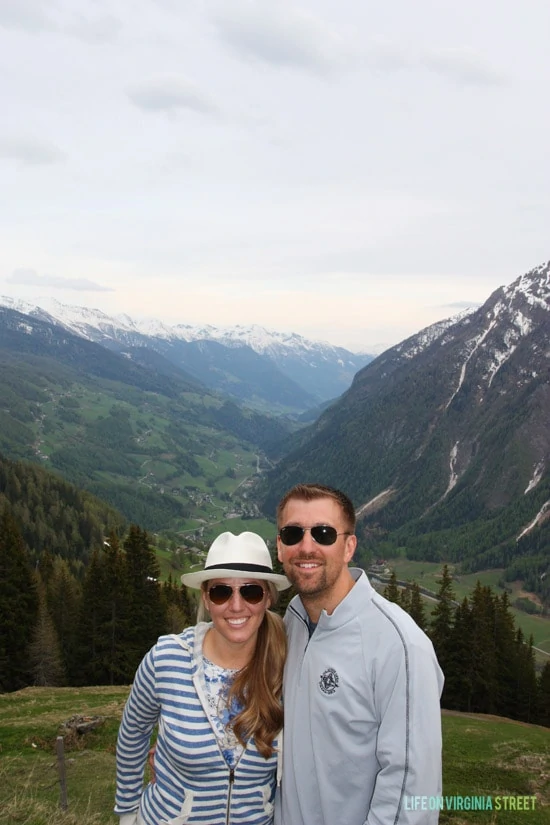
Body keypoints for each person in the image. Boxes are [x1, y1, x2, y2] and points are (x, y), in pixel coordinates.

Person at [274, 483, 444, 825]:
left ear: (349, 546)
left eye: (323, 533)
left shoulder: (400, 646)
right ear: (280, 547)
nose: (306, 547)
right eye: (292, 534)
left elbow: (411, 796)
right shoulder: (291, 621)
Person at [114, 530, 290, 825]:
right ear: (206, 599)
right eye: (222, 591)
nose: (236, 605)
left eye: (251, 591)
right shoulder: (166, 659)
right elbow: (133, 734)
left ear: (267, 598)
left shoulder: (288, 664)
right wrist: (128, 813)